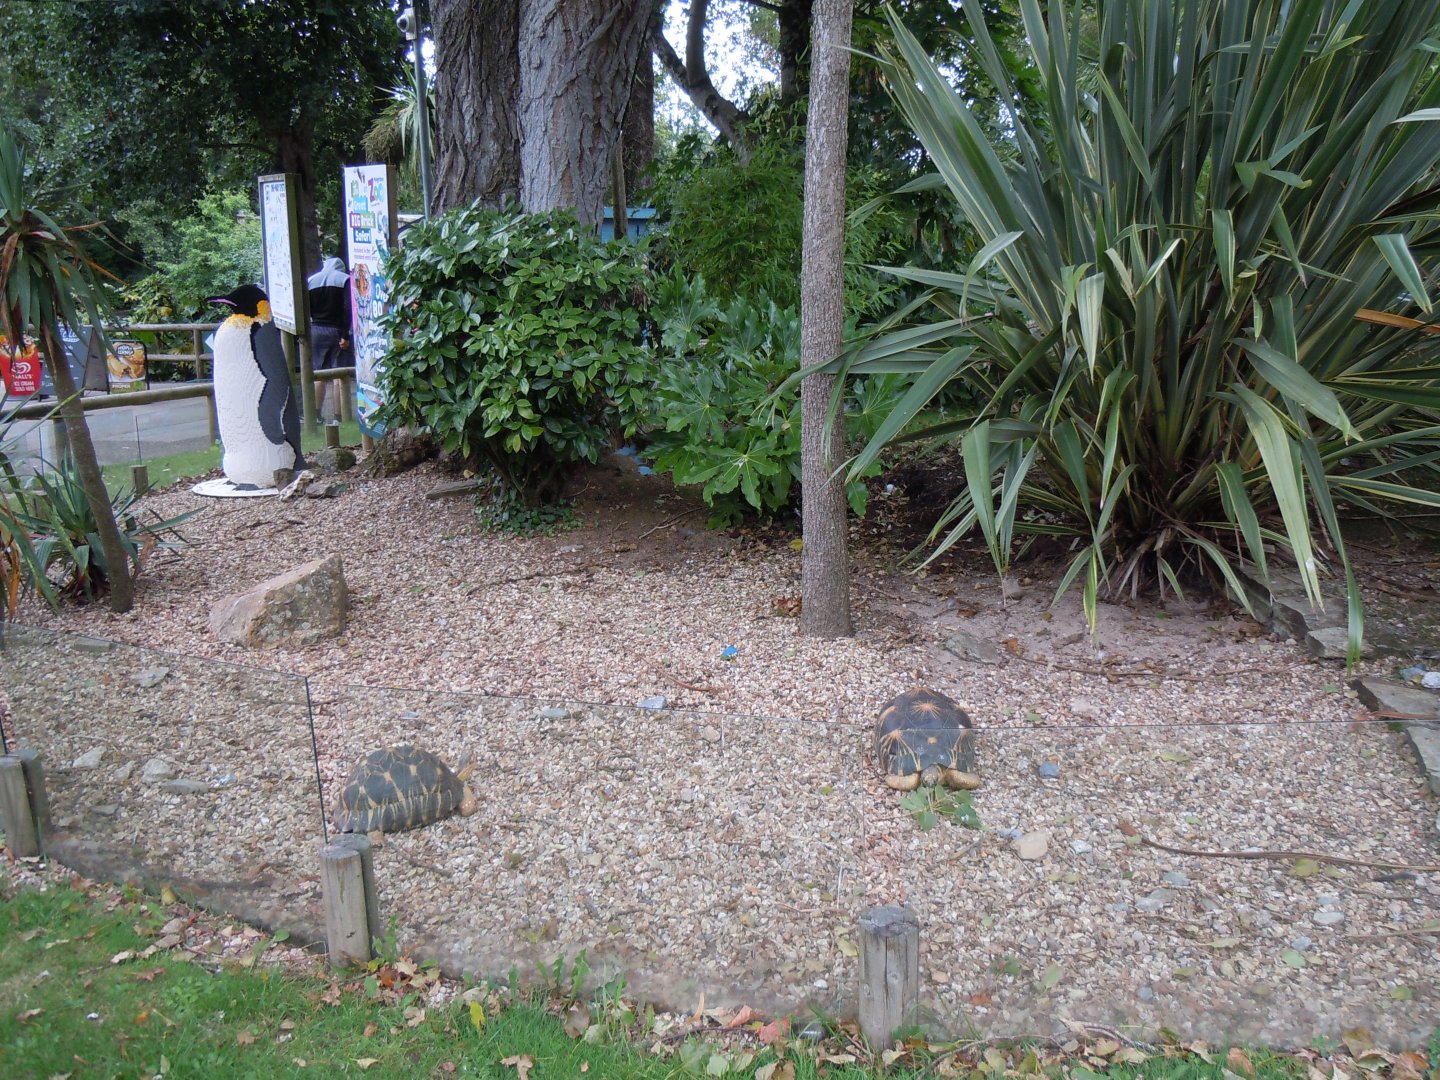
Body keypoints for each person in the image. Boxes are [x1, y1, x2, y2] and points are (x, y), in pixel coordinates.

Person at [307, 256, 353, 423]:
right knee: (339, 375)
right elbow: (348, 309)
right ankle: (339, 416)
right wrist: (345, 335)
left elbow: (306, 307)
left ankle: (316, 414)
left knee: (318, 373)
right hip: (336, 330)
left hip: (316, 329)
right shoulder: (345, 280)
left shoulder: (311, 280)